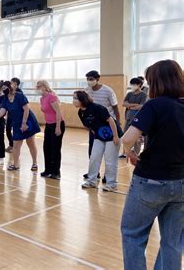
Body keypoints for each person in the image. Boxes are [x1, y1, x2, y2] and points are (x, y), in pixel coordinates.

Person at [120, 60, 183, 270]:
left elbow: (128, 138)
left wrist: (128, 152)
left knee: (133, 235)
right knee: (173, 241)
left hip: (151, 180)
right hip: (182, 182)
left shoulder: (155, 105)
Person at [73, 91, 122, 191]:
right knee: (94, 158)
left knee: (110, 160)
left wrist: (116, 136)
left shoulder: (97, 108)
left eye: (75, 98)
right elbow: (87, 126)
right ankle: (92, 181)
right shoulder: (80, 112)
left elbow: (111, 121)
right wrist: (94, 131)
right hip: (99, 137)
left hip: (112, 135)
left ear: (82, 100)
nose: (73, 101)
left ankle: (112, 184)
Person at [84, 70, 121, 182]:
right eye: (88, 79)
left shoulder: (108, 91)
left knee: (109, 154)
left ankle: (108, 176)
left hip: (108, 124)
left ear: (97, 79)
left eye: (91, 79)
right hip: (95, 126)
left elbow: (115, 108)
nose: (89, 81)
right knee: (93, 151)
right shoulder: (87, 91)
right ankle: (94, 173)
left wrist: (117, 124)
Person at [3, 78, 40, 171]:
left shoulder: (19, 96)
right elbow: (2, 111)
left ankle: (35, 163)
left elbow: (26, 109)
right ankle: (16, 165)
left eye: (4, 88)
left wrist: (24, 123)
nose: (2, 90)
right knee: (16, 145)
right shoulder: (5, 99)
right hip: (16, 122)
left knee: (30, 142)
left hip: (27, 120)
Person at [37, 80, 65, 180]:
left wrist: (58, 127)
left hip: (57, 124)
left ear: (45, 86)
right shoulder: (41, 99)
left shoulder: (51, 97)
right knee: (47, 148)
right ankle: (48, 170)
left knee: (55, 149)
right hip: (48, 125)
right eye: (37, 86)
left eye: (40, 86)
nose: (38, 88)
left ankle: (56, 172)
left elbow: (58, 112)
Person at [119, 77, 147, 158]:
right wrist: (134, 105)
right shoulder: (129, 94)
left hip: (137, 118)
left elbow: (141, 106)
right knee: (125, 135)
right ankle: (124, 153)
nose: (132, 86)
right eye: (132, 84)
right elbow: (124, 104)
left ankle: (136, 154)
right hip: (128, 117)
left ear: (139, 85)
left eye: (134, 84)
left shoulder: (143, 95)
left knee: (137, 138)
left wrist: (130, 106)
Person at [5, 77, 24, 153]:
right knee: (8, 130)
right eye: (11, 82)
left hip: (17, 115)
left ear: (17, 84)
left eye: (13, 83)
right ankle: (11, 144)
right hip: (10, 114)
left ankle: (15, 147)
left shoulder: (19, 92)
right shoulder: (9, 91)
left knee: (16, 131)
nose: (11, 84)